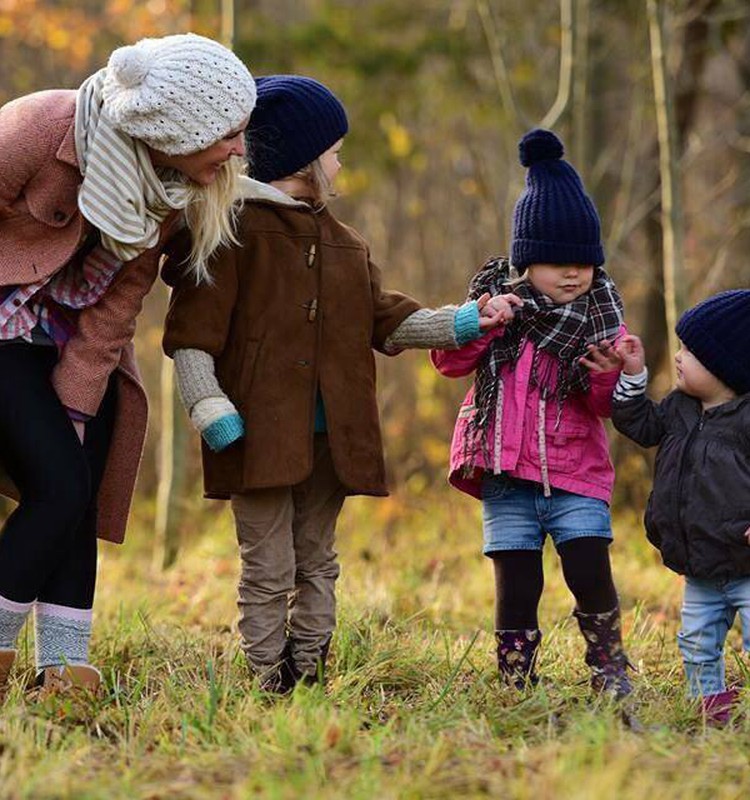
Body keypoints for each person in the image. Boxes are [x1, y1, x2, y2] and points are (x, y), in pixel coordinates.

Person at [161, 75, 506, 693]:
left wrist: (463, 320)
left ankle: (311, 666)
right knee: (268, 564)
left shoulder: (347, 243)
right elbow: (193, 334)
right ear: (301, 158)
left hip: (331, 436)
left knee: (317, 558)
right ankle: (267, 675)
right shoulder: (232, 230)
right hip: (254, 433)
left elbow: (387, 319)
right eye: (335, 149)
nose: (342, 161)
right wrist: (208, 404)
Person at [0, 33, 256, 695]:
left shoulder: (165, 190)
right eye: (226, 134)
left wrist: (80, 404)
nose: (238, 149)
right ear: (174, 130)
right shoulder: (42, 127)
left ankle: (60, 666)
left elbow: (118, 306)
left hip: (69, 339)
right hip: (3, 329)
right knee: (56, 481)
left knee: (81, 479)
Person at [431, 129, 633, 698]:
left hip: (576, 477)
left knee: (590, 575)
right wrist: (478, 321)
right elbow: (447, 364)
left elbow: (604, 408)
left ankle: (609, 668)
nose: (572, 274)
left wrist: (607, 374)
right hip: (506, 476)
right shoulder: (499, 308)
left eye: (584, 264)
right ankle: (515, 679)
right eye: (555, 263)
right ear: (526, 263)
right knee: (516, 584)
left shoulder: (602, 322)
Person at [612, 290, 750, 725]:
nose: (678, 356)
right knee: (695, 640)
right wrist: (633, 376)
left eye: (691, 351)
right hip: (700, 561)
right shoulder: (678, 409)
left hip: (745, 559)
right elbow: (639, 423)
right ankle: (710, 706)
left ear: (726, 368)